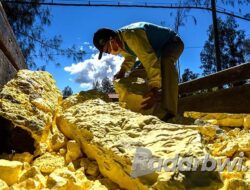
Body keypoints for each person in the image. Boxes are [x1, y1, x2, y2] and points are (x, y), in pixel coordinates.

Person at [93, 22, 184, 120]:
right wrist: (122, 71)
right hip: (155, 53)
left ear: (112, 39)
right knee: (135, 73)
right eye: (107, 52)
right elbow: (130, 57)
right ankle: (137, 103)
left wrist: (154, 89)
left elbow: (150, 61)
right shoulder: (121, 43)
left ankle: (170, 112)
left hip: (172, 42)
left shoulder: (131, 35)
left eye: (107, 49)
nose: (110, 52)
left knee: (166, 63)